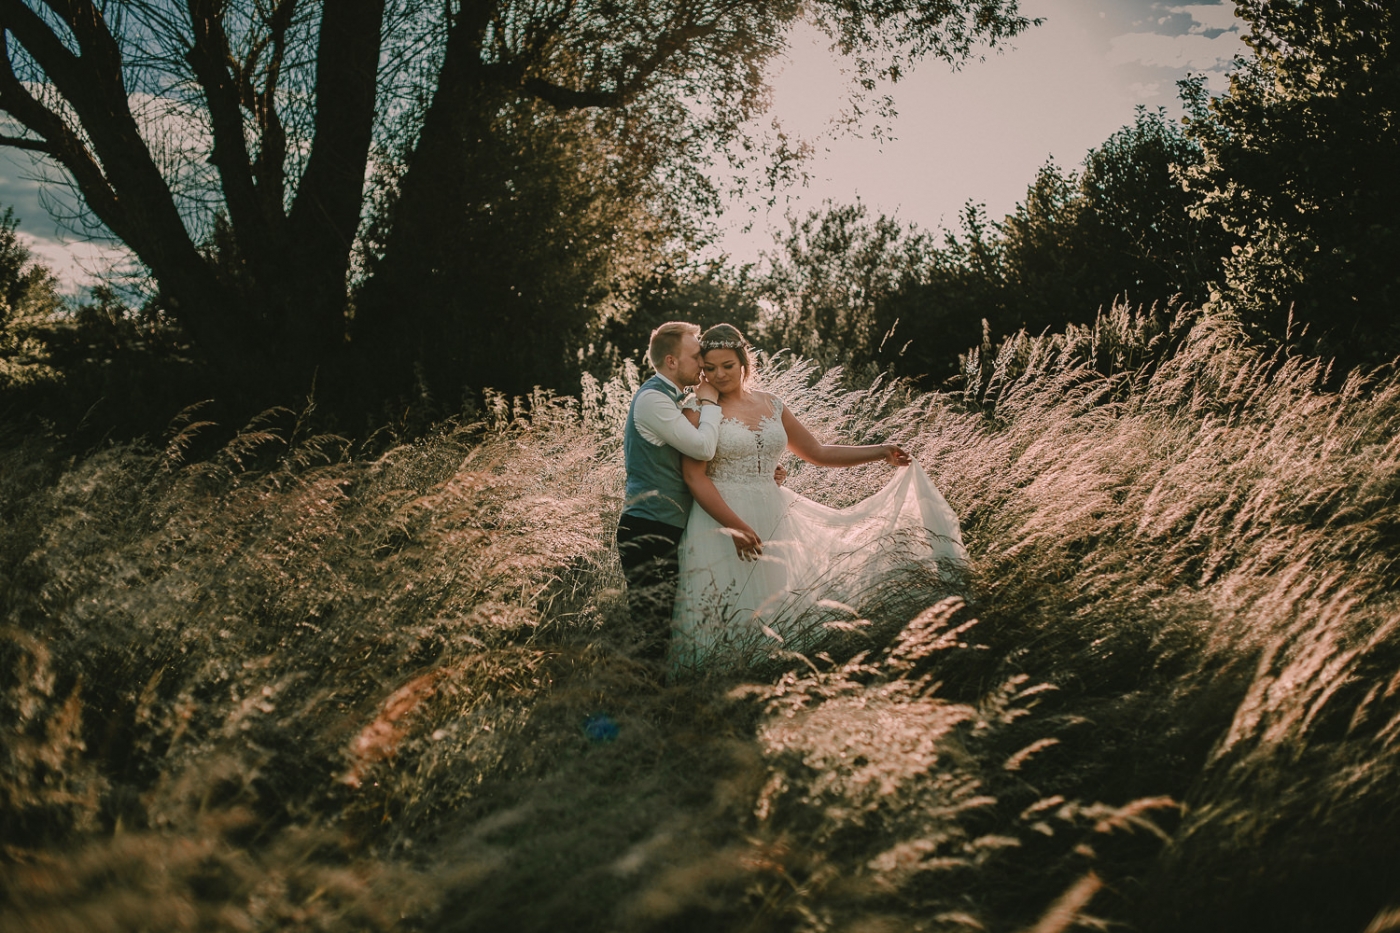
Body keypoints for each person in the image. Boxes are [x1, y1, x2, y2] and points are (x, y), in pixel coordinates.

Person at [671, 323, 967, 673]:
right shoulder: (697, 410)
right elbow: (695, 477)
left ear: (744, 363)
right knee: (727, 605)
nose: (719, 375)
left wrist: (880, 451)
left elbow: (817, 451)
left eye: (728, 365)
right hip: (720, 520)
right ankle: (717, 684)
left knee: (775, 605)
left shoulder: (771, 403)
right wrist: (734, 526)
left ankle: (777, 679)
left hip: (772, 512)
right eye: (710, 368)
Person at [615, 322, 788, 661]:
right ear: (672, 361)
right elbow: (703, 449)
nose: (705, 369)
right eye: (698, 359)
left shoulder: (673, 398)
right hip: (649, 525)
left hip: (669, 524)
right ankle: (644, 700)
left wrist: (760, 467)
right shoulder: (653, 400)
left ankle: (661, 696)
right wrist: (709, 404)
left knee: (668, 619)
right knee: (653, 625)